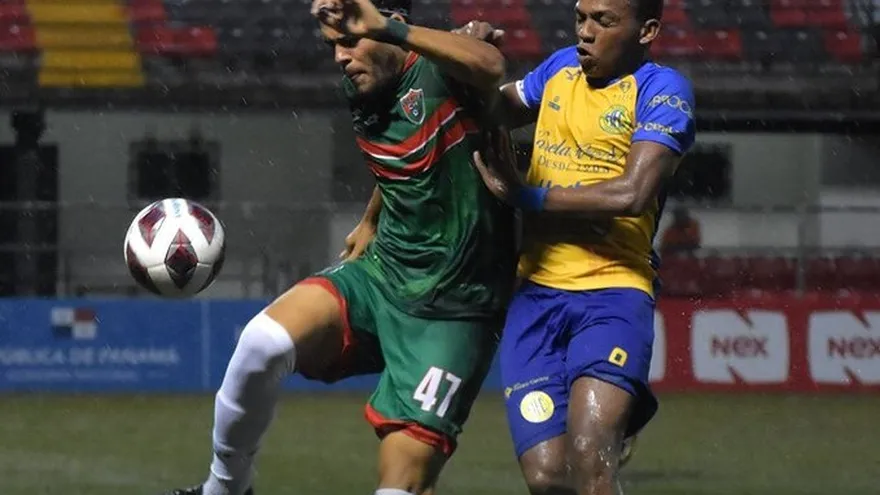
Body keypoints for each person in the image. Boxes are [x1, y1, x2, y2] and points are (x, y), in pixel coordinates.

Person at [160, 0, 517, 494]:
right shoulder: (362, 84)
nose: (340, 58)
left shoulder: (443, 69)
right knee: (261, 343)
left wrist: (391, 28)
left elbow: (492, 66)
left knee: (401, 486)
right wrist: (372, 215)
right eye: (333, 46)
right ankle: (225, 488)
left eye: (351, 41)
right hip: (382, 276)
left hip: (454, 310)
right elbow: (405, 155)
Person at [457, 0, 697, 493]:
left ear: (647, 29)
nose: (585, 32)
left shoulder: (662, 90)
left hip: (613, 292)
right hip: (535, 298)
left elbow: (632, 194)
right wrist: (472, 62)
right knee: (548, 478)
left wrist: (526, 196)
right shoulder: (559, 69)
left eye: (603, 21)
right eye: (580, 18)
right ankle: (622, 411)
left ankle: (616, 412)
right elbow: (495, 107)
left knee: (589, 458)